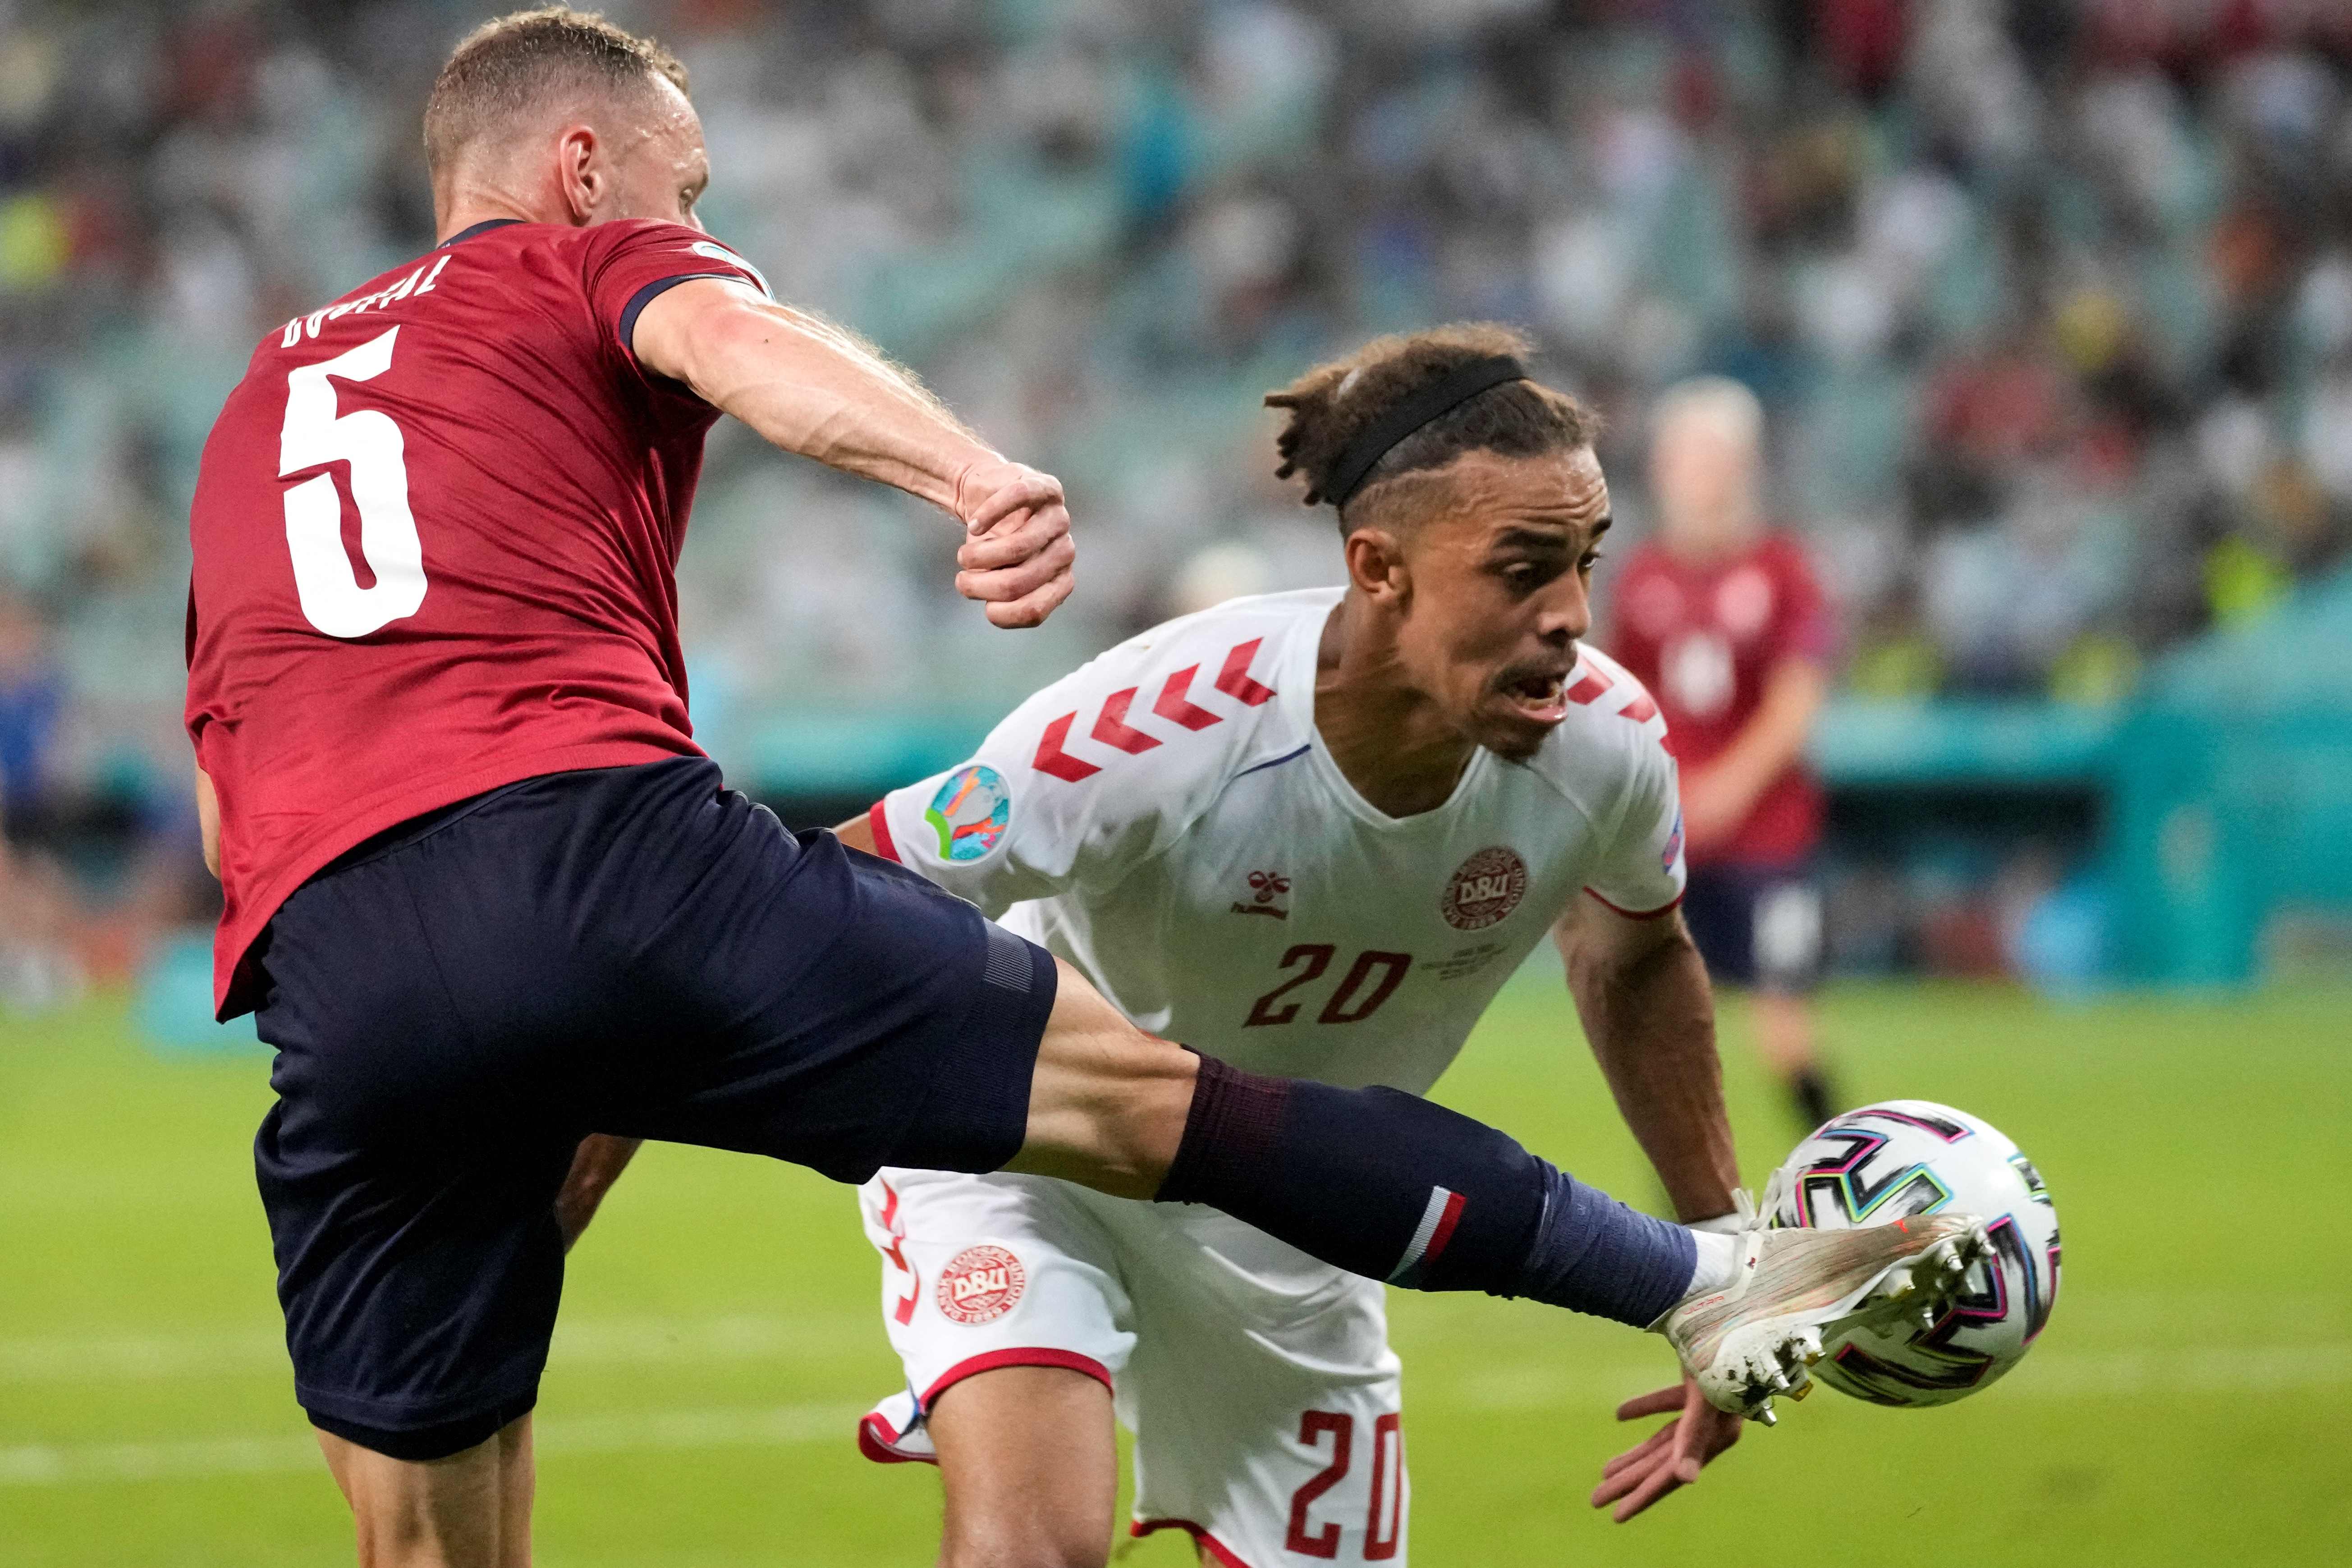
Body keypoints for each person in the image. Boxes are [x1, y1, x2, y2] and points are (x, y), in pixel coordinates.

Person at [186, 12, 1975, 1564]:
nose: (699, 218)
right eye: (690, 183)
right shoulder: (583, 259)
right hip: (601, 833)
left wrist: (443, 1041)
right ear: (579, 164)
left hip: (337, 949)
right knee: (1152, 1099)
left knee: (424, 1489)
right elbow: (730, 344)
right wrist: (964, 472)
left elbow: (228, 778)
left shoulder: (257, 404)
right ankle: (1690, 1277)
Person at [619, 324, 1953, 1566]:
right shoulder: (1153, 726)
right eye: (1522, 567)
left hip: (1308, 1210)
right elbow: (834, 880)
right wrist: (608, 1077)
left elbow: (1638, 958)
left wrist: (1724, 1257)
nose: (1574, 616)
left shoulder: (1608, 752)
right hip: (1035, 1157)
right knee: (1036, 1539)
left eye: (1587, 559)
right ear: (1378, 568)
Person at [1608, 377, 1842, 1135]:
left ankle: (1844, 1180)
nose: (1688, 472)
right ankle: (1676, 1220)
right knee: (1669, 1032)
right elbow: (1622, 701)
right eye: (1678, 456)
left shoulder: (1781, 571)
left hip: (1767, 838)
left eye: (1705, 456)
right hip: (1673, 840)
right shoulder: (1642, 576)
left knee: (1782, 1026)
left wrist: (1729, 786)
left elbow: (1797, 698)